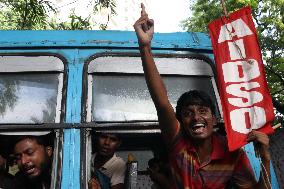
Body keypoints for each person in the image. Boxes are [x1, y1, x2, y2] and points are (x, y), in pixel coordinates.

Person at [134, 3, 272, 189]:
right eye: (188, 113)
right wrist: (145, 47)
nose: (196, 117)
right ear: (181, 121)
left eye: (202, 111)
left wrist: (265, 156)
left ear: (214, 120)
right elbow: (162, 103)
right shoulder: (178, 142)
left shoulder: (232, 152)